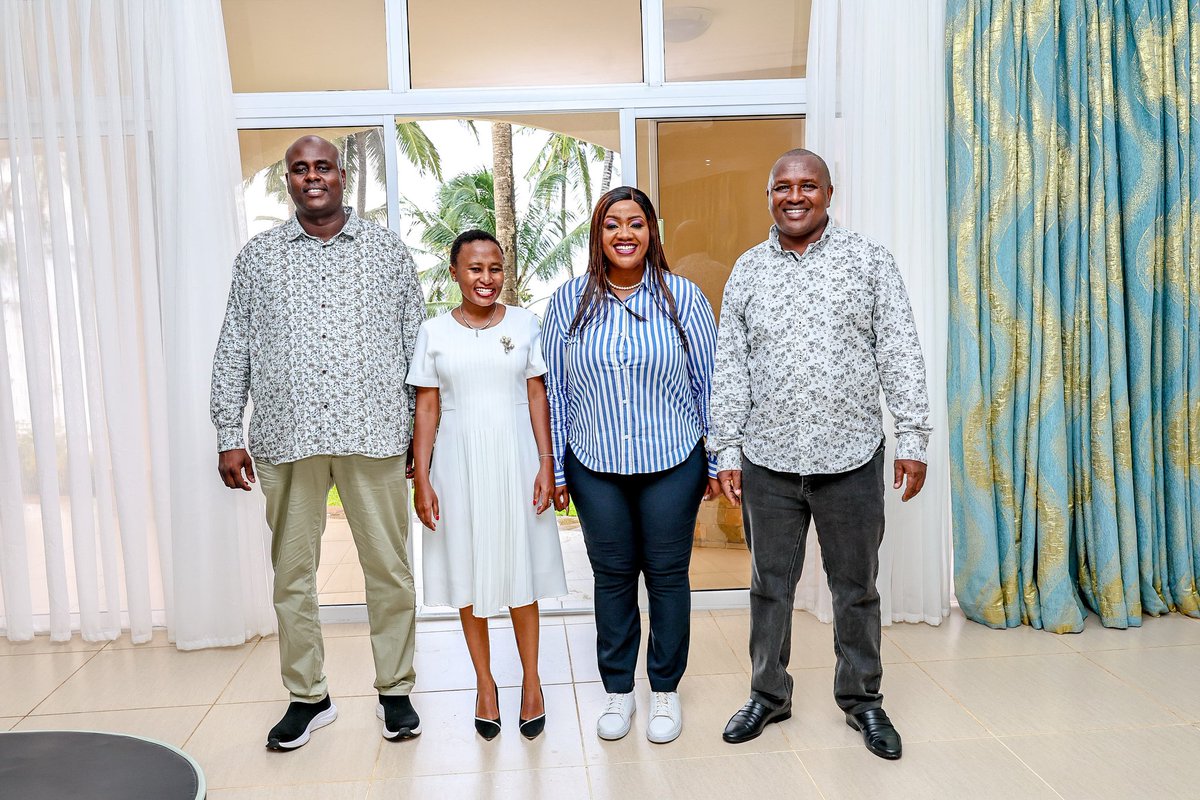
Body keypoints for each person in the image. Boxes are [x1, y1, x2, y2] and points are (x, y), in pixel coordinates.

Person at [712, 148, 931, 760]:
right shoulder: (748, 271)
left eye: (808, 185)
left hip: (853, 458)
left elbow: (901, 352)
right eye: (783, 186)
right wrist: (726, 447)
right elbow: (730, 365)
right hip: (767, 460)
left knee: (855, 589)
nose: (795, 196)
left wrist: (912, 438)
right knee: (767, 589)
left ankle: (863, 701)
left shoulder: (870, 262)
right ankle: (768, 696)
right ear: (769, 194)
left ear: (829, 193)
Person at [210, 135, 425, 751]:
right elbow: (234, 348)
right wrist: (230, 432)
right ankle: (309, 697)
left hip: (374, 432)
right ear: (287, 181)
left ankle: (395, 693)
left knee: (389, 571)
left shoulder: (386, 251)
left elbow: (416, 350)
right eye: (299, 169)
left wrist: (417, 433)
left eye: (322, 167)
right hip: (287, 437)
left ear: (341, 174)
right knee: (292, 576)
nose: (312, 177)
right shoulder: (259, 258)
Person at [543, 186, 720, 745]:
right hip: (596, 466)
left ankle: (664, 691)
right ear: (598, 235)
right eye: (612, 224)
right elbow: (555, 393)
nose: (625, 234)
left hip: (673, 461)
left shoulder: (683, 298)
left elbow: (709, 385)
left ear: (651, 232)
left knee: (668, 578)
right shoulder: (568, 302)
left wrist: (716, 459)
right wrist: (562, 470)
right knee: (612, 579)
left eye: (636, 223)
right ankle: (619, 692)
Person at [406, 229, 567, 741]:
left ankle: (533, 683)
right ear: (454, 272)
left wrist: (546, 463)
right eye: (475, 268)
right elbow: (427, 407)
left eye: (495, 268)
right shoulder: (433, 332)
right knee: (468, 571)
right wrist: (424, 477)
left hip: (516, 456)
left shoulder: (525, 324)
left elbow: (537, 395)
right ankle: (484, 684)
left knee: (522, 567)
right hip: (457, 462)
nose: (486, 278)